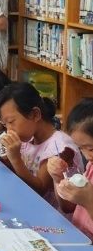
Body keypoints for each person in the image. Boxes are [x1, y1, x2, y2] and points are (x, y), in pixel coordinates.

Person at [0, 82, 82, 200]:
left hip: (52, 213)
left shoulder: (61, 148)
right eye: (5, 125)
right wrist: (7, 159)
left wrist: (15, 159)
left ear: (35, 114)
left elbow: (40, 190)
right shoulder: (28, 139)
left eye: (11, 122)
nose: (9, 130)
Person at [47, 99, 93, 239]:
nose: (86, 155)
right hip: (78, 240)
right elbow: (68, 207)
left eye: (91, 148)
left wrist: (89, 201)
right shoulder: (91, 166)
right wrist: (59, 178)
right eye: (80, 148)